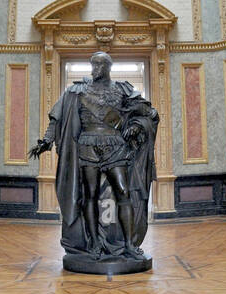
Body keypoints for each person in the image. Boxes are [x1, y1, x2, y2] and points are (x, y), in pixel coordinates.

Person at [29, 51, 158, 261]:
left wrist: (135, 127)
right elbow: (57, 117)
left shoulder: (122, 89)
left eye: (99, 65)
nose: (95, 69)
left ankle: (128, 244)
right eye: (93, 65)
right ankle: (94, 243)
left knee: (123, 193)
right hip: (87, 145)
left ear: (108, 67)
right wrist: (46, 140)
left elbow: (147, 113)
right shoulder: (77, 90)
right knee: (89, 195)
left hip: (115, 146)